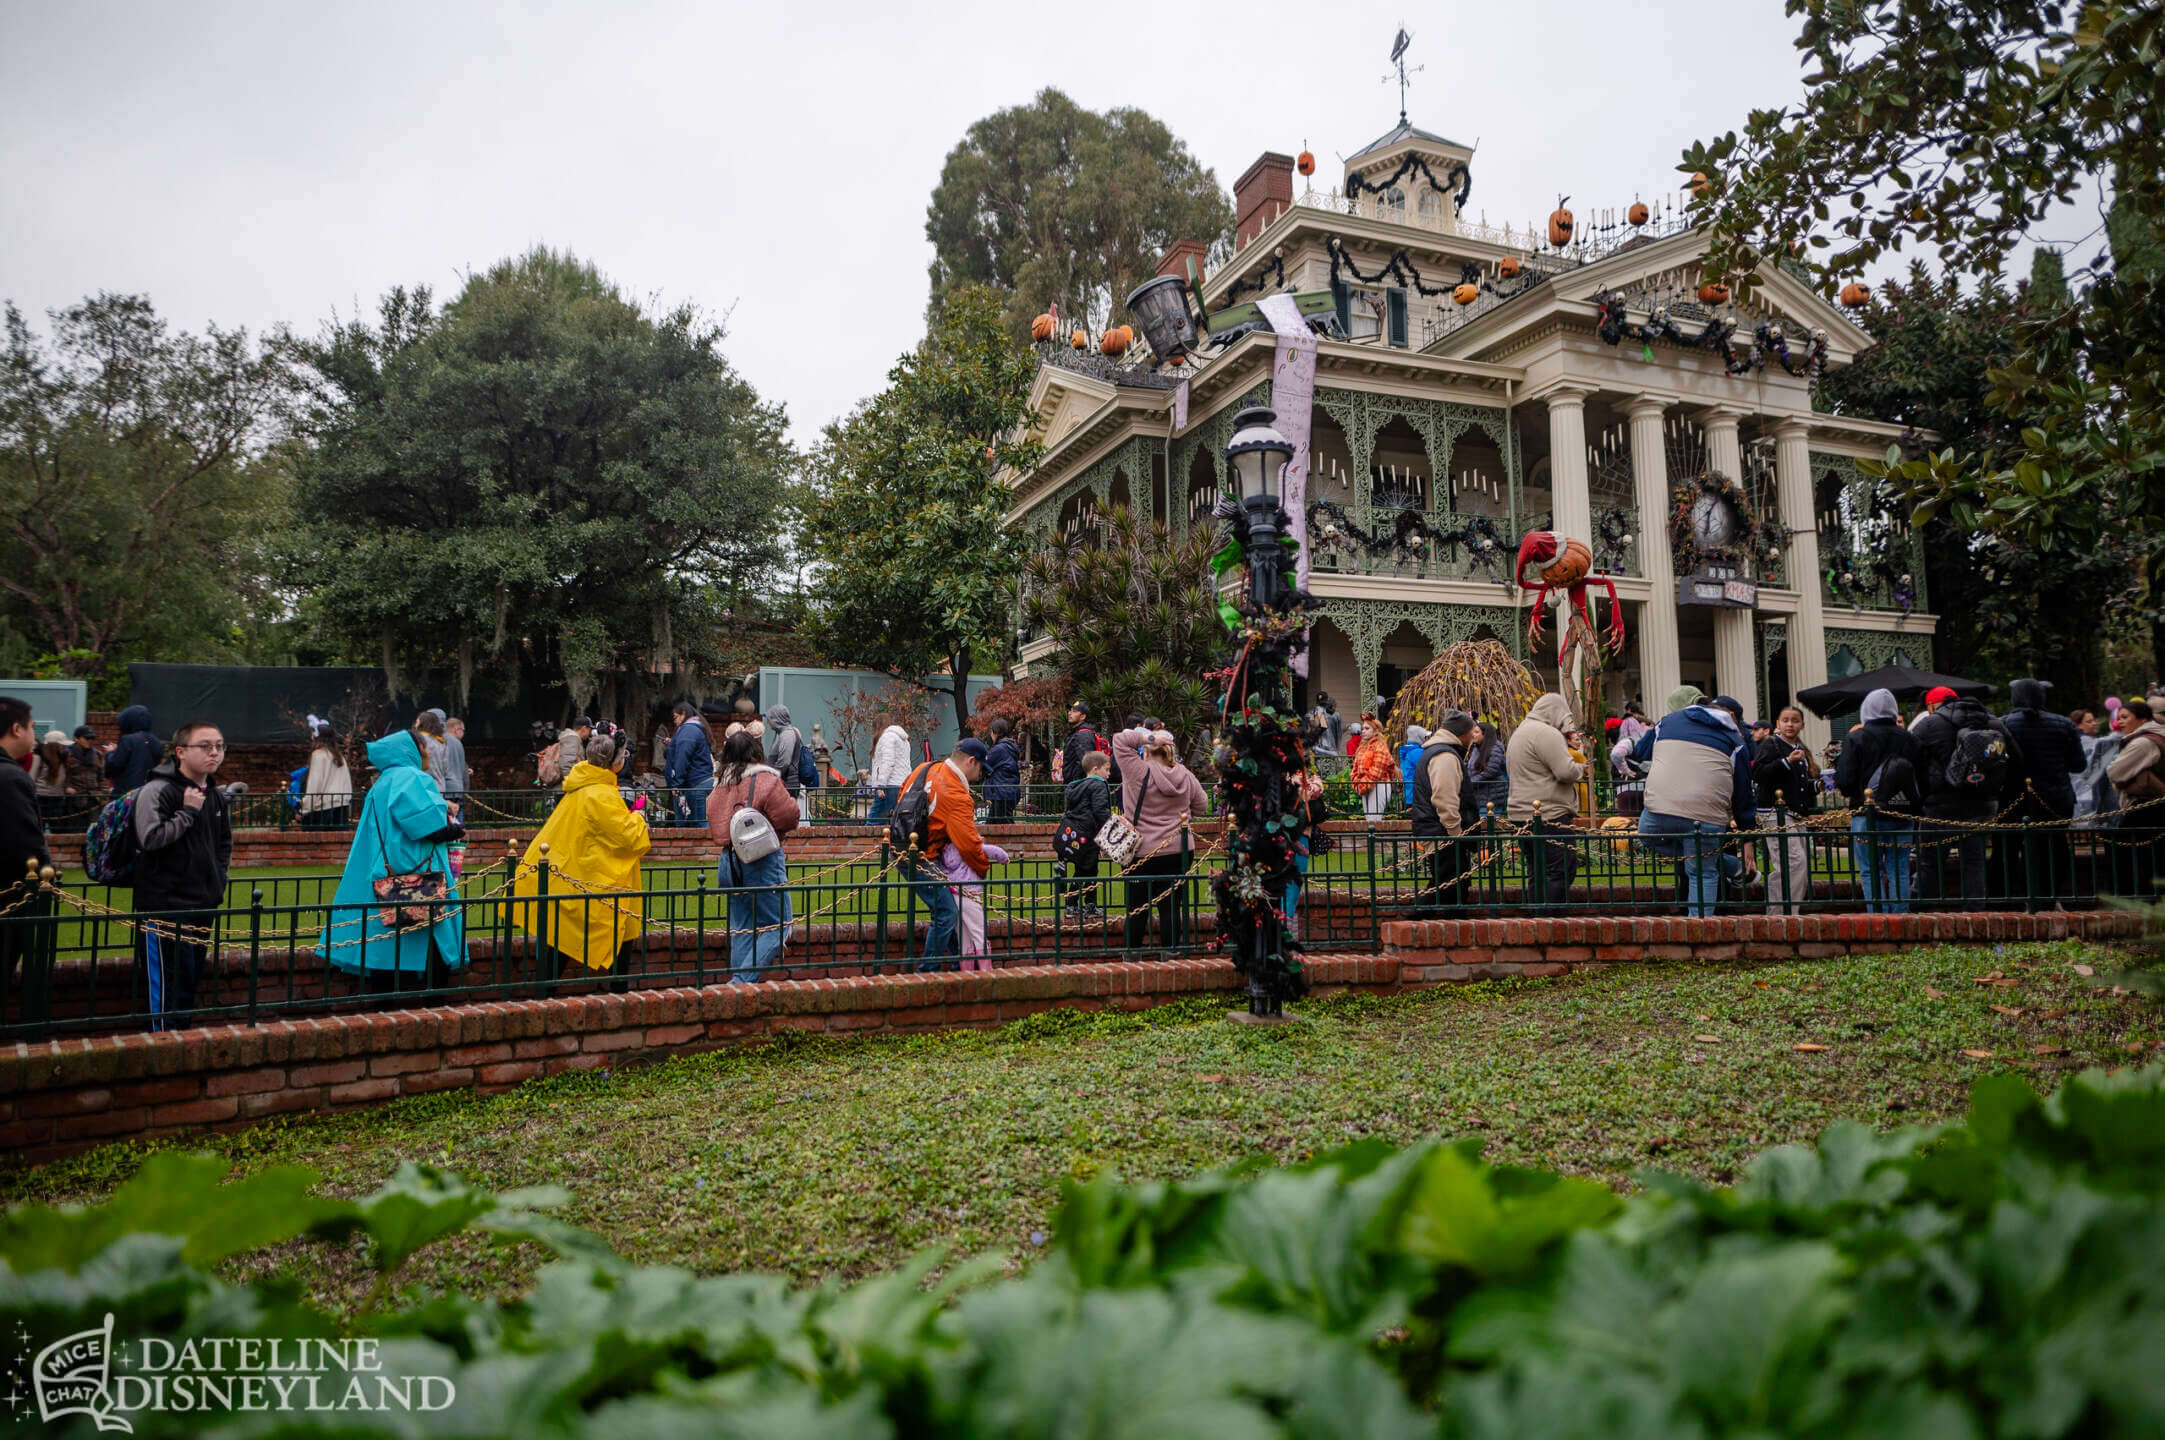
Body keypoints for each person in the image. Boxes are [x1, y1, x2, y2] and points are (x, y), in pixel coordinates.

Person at [324, 729, 466, 998]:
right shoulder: (413, 777)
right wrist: (454, 826)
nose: (427, 754)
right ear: (412, 751)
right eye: (424, 748)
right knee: (434, 939)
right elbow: (428, 826)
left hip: (386, 874)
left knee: (387, 948)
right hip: (419, 872)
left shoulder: (383, 782)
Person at [512, 730, 650, 987]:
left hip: (572, 873)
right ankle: (618, 994)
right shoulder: (601, 794)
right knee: (615, 932)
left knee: (563, 938)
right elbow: (630, 838)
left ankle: (546, 994)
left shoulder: (580, 786)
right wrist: (639, 819)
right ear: (616, 763)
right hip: (589, 877)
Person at [132, 720, 234, 1028]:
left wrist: (218, 877)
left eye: (219, 746)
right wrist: (186, 813)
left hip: (202, 902)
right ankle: (162, 1047)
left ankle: (182, 1045)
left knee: (189, 982)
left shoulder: (214, 794)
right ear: (180, 752)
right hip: (165, 905)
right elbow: (148, 840)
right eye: (205, 746)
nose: (214, 753)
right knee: (166, 987)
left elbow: (224, 843)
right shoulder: (157, 790)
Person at [1634, 694, 1755, 918]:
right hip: (1707, 813)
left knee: (1647, 836)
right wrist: (1748, 837)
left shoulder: (1667, 721)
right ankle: (1700, 930)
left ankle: (1724, 864)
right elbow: (1743, 793)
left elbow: (1640, 751)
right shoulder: (1735, 740)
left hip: (1660, 807)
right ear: (1730, 717)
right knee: (1703, 872)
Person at [706, 728, 799, 982]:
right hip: (761, 858)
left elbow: (713, 822)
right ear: (755, 752)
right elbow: (790, 816)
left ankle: (738, 985)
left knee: (743, 927)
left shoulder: (718, 786)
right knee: (779, 924)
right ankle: (741, 982)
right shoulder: (765, 780)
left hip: (728, 860)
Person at [1912, 690, 2020, 906]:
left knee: (1930, 863)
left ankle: (1921, 914)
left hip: (1940, 803)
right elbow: (2016, 758)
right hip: (1982, 801)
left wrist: (1924, 794)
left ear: (1934, 706)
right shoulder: (1993, 722)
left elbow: (1913, 762)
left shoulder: (1928, 725)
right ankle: (1975, 916)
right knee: (1974, 861)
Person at [1115, 726, 1208, 950]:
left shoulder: (1137, 770)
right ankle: (1171, 955)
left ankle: (1132, 956)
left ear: (1147, 750)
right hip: (1178, 849)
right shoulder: (1184, 774)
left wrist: (1149, 736)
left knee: (1137, 907)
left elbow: (1120, 740)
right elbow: (1202, 804)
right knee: (1171, 907)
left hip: (1142, 850)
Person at [901, 738, 992, 968]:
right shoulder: (957, 795)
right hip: (925, 856)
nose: (981, 774)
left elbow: (902, 794)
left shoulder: (925, 768)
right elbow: (969, 845)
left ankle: (955, 963)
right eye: (981, 767)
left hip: (902, 846)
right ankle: (927, 972)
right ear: (971, 761)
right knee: (946, 913)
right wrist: (982, 869)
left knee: (946, 909)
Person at [1833, 688, 1922, 913]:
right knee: (1899, 868)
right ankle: (1900, 917)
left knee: (1870, 869)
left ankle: (1878, 919)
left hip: (1866, 813)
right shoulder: (1909, 739)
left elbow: (1844, 780)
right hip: (1902, 813)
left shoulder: (1857, 737)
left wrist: (1859, 794)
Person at [1999, 679, 2087, 907]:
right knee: (2055, 847)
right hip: (2055, 797)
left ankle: (2013, 900)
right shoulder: (2064, 724)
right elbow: (2078, 764)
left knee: (2008, 847)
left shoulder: (2002, 724)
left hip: (2014, 797)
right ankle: (2050, 896)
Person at [0, 699, 54, 1025]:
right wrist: (49, 880)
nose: (34, 734)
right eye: (33, 726)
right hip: (9, 899)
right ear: (16, 728)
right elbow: (27, 848)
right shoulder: (10, 779)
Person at [1506, 694, 1586, 911]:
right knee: (1560, 868)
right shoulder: (1547, 733)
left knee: (1537, 870)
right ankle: (1550, 922)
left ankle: (1537, 919)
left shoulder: (1521, 731)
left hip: (1521, 813)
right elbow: (1565, 771)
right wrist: (1581, 768)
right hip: (1549, 812)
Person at [1752, 706, 1821, 914]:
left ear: (1802, 725)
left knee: (1797, 865)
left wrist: (1817, 786)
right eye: (1785, 720)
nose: (1790, 724)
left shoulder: (1800, 748)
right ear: (1777, 724)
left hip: (1795, 813)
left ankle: (1788, 911)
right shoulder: (1771, 745)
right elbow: (1759, 773)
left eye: (1795, 720)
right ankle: (1780, 912)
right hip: (1774, 812)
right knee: (1794, 861)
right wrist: (1786, 762)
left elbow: (1797, 786)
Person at [1407, 711, 1477, 914]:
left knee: (1447, 884)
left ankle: (1423, 924)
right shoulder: (1445, 755)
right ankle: (1414, 924)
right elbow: (1444, 799)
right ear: (1460, 734)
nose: (1473, 738)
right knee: (1449, 885)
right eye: (1471, 733)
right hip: (1442, 832)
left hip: (1435, 829)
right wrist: (1457, 833)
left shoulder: (1439, 751)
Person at [2106, 698, 2165, 894]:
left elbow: (2114, 772)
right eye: (2118, 717)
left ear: (2142, 719)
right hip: (2156, 807)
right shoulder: (2158, 736)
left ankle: (2136, 900)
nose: (2120, 722)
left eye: (2125, 717)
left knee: (2132, 857)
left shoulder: (2143, 742)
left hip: (2145, 807)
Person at [1054, 750, 1113, 918]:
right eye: (1107, 770)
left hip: (1076, 833)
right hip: (1089, 833)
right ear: (1095, 769)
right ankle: (1073, 905)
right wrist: (1112, 829)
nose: (1109, 774)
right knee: (1087, 871)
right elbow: (1100, 811)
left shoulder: (1076, 786)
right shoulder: (1098, 785)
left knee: (1086, 870)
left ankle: (1089, 904)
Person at [664, 700, 714, 826]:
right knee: (698, 825)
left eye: (675, 717)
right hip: (700, 783)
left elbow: (682, 757)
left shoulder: (688, 730)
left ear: (684, 714)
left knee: (698, 827)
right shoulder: (696, 728)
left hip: (694, 785)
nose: (674, 721)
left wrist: (677, 783)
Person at [1062, 701, 1119, 800]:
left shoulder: (1083, 735)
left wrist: (1077, 785)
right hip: (1078, 786)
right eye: (1070, 711)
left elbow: (1086, 762)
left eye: (1074, 711)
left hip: (1080, 788)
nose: (1069, 713)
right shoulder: (1077, 733)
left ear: (1082, 716)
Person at [300, 726, 354, 829]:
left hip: (323, 809)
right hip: (341, 806)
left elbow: (314, 784)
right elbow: (346, 782)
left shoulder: (318, 755)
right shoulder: (339, 756)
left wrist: (305, 808)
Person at [105, 704, 161, 794]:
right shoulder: (156, 742)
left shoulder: (127, 740)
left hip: (126, 794)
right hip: (147, 793)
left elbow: (114, 766)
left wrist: (111, 752)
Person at [1350, 714, 1395, 822]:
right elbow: (1354, 769)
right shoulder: (1362, 747)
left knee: (1374, 820)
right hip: (1365, 785)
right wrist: (1357, 783)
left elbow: (1376, 771)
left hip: (1379, 785)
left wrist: (1362, 785)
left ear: (1375, 731)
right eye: (1362, 728)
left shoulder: (1380, 747)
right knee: (1368, 819)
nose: (1363, 731)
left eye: (1367, 728)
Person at [763, 705, 806, 817]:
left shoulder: (787, 735)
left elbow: (784, 762)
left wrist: (773, 776)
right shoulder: (783, 733)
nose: (767, 722)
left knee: (784, 818)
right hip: (784, 783)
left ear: (777, 719)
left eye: (770, 718)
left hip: (787, 784)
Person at [1466, 718, 1510, 826]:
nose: (1473, 735)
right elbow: (1472, 767)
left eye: (1477, 732)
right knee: (1482, 825)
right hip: (1481, 794)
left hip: (1493, 794)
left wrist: (1471, 782)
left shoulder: (1495, 748)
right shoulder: (1476, 748)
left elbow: (1491, 770)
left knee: (1488, 824)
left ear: (1485, 734)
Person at [867, 719, 912, 821]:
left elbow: (887, 762)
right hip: (902, 785)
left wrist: (881, 785)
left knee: (873, 822)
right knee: (895, 823)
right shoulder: (904, 740)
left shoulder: (887, 737)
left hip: (888, 786)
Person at [983, 719, 1022, 824]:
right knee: (993, 824)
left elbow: (985, 765)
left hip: (1001, 792)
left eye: (991, 732)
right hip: (1008, 791)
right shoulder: (1010, 747)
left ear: (995, 732)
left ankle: (1016, 840)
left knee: (1004, 825)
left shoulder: (999, 749)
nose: (990, 735)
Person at [1609, 717, 1649, 818]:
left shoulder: (1628, 741)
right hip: (1647, 789)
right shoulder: (1645, 742)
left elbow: (1616, 754)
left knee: (1627, 826)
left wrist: (1625, 770)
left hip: (1627, 789)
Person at [28, 730, 70, 823]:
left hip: (58, 798)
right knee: (39, 826)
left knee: (58, 828)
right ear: (54, 746)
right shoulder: (38, 757)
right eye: (61, 744)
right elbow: (31, 778)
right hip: (41, 798)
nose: (64, 747)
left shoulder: (63, 758)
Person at [1396, 724, 1430, 812]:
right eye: (1425, 737)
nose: (1426, 739)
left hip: (1409, 792)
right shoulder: (1417, 752)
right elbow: (1427, 766)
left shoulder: (1409, 751)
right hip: (1417, 793)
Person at [441, 716, 471, 815]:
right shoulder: (458, 744)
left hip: (445, 789)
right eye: (463, 730)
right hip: (459, 789)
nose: (463, 733)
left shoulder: (440, 740)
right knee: (458, 824)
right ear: (456, 729)